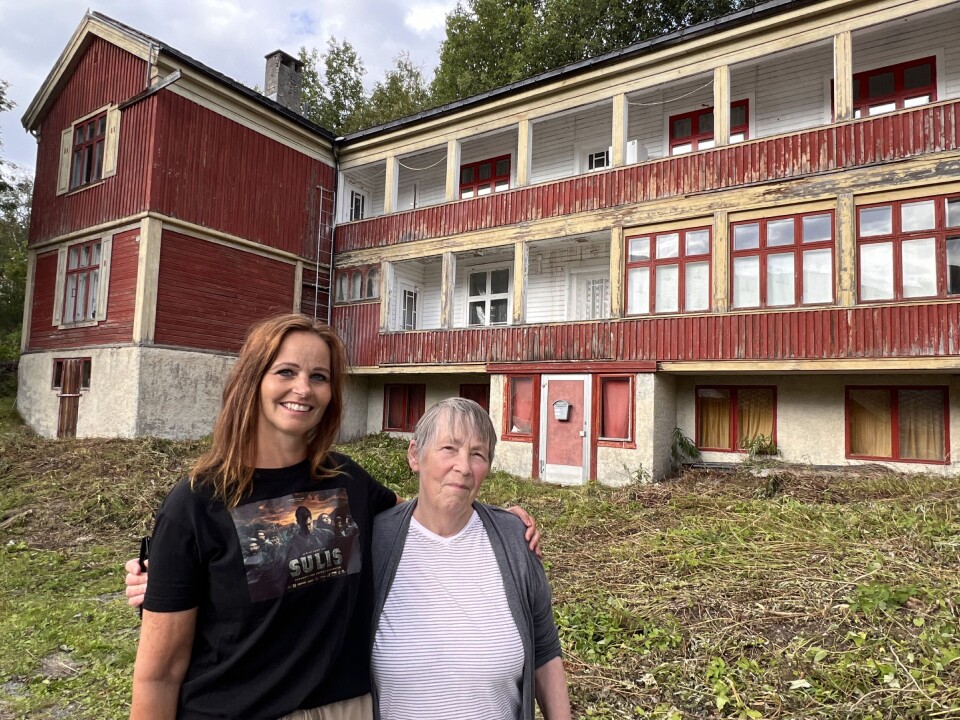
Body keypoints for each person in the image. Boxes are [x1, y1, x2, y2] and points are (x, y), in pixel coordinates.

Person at [126, 313, 541, 720]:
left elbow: (421, 512)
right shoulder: (198, 501)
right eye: (285, 371)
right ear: (252, 379)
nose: (303, 389)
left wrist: (499, 522)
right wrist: (163, 580)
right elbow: (158, 677)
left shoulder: (347, 482)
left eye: (319, 377)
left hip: (346, 707)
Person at [370, 398, 571, 720]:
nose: (463, 467)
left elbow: (545, 651)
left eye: (477, 454)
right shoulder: (375, 540)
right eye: (449, 448)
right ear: (414, 455)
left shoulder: (514, 541)